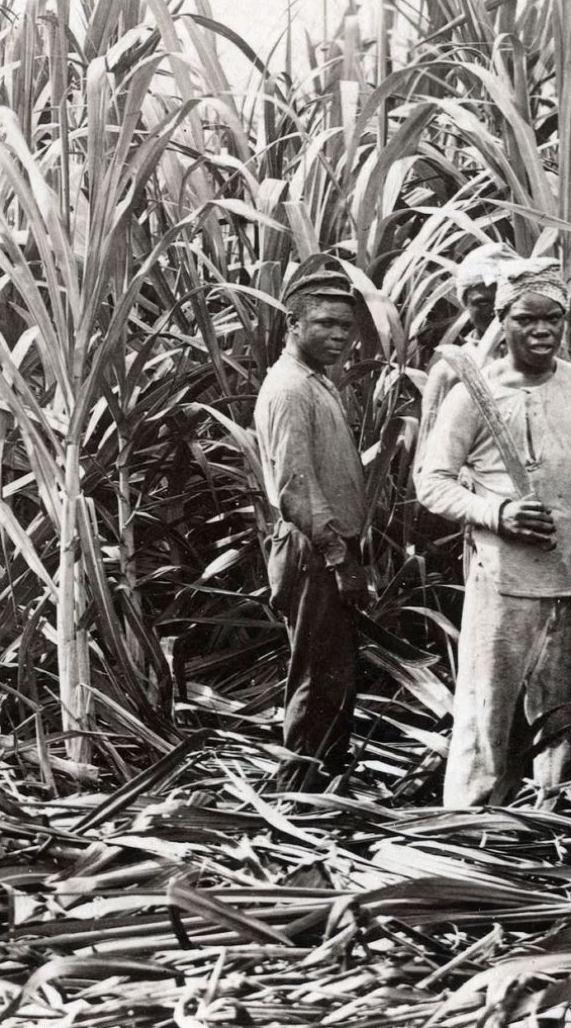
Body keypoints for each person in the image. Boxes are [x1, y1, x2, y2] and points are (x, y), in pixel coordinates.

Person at [415, 257, 571, 807]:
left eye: (553, 319)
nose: (541, 330)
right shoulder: (475, 393)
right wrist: (498, 514)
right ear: (503, 320)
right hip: (502, 585)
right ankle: (466, 832)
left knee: (566, 717)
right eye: (526, 319)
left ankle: (555, 827)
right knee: (484, 715)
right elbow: (431, 482)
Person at [253, 261, 369, 785]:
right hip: (313, 550)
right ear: (293, 326)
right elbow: (295, 489)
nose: (339, 335)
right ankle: (301, 793)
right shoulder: (290, 390)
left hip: (325, 548)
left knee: (333, 672)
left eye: (346, 326)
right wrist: (339, 556)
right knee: (317, 675)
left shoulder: (315, 383)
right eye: (324, 323)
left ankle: (324, 782)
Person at [419, 241, 521, 446]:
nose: (495, 310)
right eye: (482, 303)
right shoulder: (449, 370)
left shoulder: (547, 361)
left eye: (504, 299)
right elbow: (428, 449)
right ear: (466, 306)